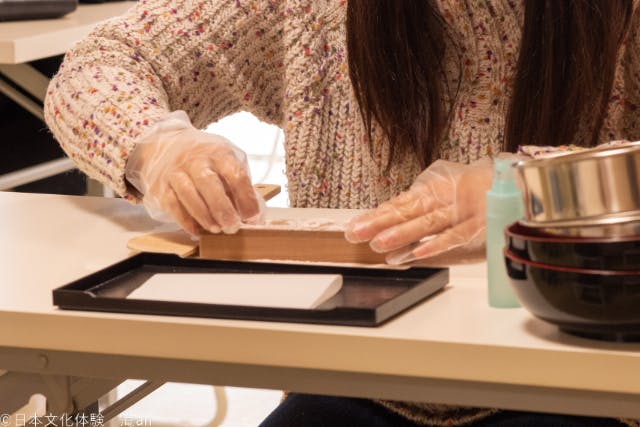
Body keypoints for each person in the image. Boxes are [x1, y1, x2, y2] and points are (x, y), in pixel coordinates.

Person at [44, 0, 639, 425]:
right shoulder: (315, 14)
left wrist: (541, 187)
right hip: (357, 382)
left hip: (580, 383)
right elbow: (105, 62)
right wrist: (160, 148)